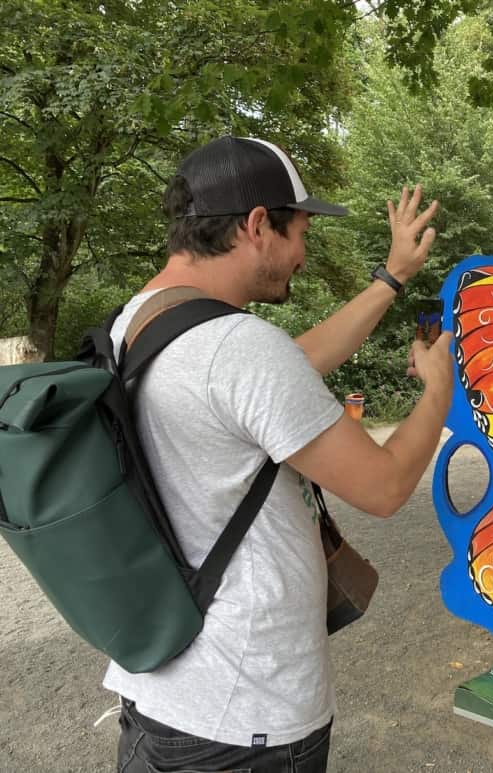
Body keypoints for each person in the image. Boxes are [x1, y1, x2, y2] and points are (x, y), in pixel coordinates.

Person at [104, 136, 453, 773]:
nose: (303, 255)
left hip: (164, 695)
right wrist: (438, 390)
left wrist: (392, 276)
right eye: (299, 233)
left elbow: (286, 371)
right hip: (245, 719)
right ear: (258, 224)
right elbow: (385, 486)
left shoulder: (143, 321)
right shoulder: (239, 347)